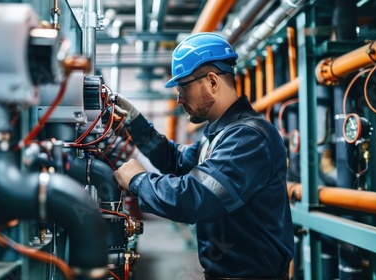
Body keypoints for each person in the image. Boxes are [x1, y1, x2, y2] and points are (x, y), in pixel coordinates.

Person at [113, 32, 294, 280]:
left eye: (183, 86)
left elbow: (195, 198)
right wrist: (135, 121)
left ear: (211, 82)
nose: (178, 98)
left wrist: (138, 181)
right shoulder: (217, 135)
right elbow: (175, 161)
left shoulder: (248, 137)